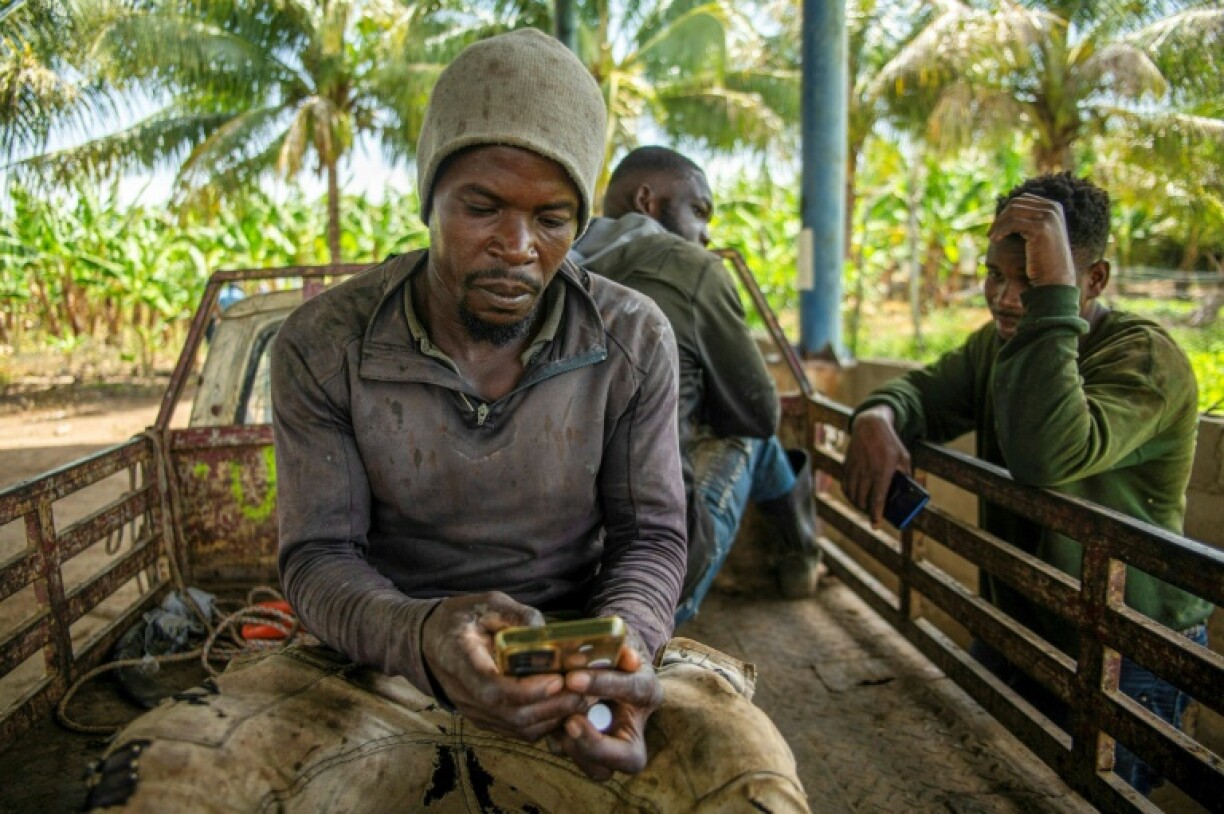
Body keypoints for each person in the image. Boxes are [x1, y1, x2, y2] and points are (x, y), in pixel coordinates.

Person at [84, 29, 808, 813]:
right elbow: (319, 558)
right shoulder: (325, 344)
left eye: (553, 218)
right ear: (428, 195)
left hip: (571, 668)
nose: (518, 247)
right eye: (482, 206)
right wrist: (422, 635)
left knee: (745, 778)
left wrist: (622, 646)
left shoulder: (631, 337)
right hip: (366, 672)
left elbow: (653, 536)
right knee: (160, 780)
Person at [843, 172, 1212, 796]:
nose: (1006, 299)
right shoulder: (998, 346)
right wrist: (876, 416)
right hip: (1019, 627)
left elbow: (1049, 453)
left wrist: (1053, 303)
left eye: (1031, 281)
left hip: (1126, 656)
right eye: (995, 275)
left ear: (1090, 279)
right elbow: (922, 392)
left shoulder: (1143, 358)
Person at [570, 146, 823, 624]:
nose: (706, 234)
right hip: (658, 586)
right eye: (699, 210)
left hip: (558, 578)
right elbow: (757, 412)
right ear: (646, 200)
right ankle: (800, 561)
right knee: (759, 438)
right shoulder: (691, 267)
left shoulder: (551, 261)